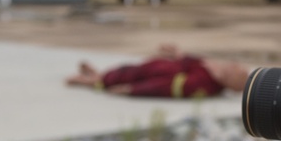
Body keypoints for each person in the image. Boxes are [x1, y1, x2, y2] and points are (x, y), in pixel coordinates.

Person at [66, 43, 249, 98]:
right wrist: (177, 53)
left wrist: (134, 90)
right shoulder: (213, 68)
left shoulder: (203, 86)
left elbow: (165, 88)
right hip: (154, 66)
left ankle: (87, 80)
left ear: (230, 84)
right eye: (234, 65)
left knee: (115, 81)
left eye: (234, 72)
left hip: (154, 76)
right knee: (122, 71)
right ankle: (96, 73)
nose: (231, 66)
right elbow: (190, 61)